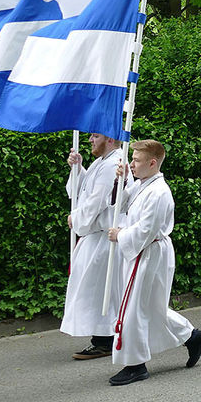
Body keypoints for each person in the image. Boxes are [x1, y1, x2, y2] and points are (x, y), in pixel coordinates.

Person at [107, 140, 201, 386]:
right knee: (151, 308)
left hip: (148, 252)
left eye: (137, 161)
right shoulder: (143, 185)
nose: (132, 164)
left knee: (133, 308)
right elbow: (120, 203)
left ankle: (135, 365)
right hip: (143, 251)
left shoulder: (159, 192)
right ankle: (192, 337)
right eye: (132, 160)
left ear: (153, 163)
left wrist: (120, 235)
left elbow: (145, 231)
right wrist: (121, 181)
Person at [62, 133, 127, 360]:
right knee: (97, 292)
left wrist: (76, 218)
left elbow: (96, 201)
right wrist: (78, 168)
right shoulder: (103, 162)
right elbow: (82, 192)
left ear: (109, 139)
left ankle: (105, 340)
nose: (90, 139)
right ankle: (104, 338)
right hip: (96, 238)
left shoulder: (113, 164)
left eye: (95, 135)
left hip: (104, 238)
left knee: (100, 292)